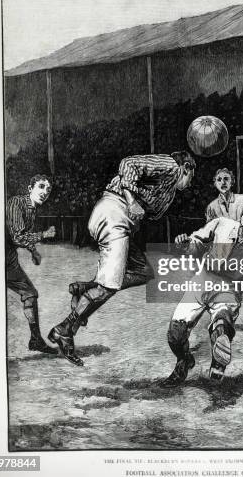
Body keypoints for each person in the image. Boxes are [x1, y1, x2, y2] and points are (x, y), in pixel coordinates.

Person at [48, 151, 196, 366]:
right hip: (115, 212)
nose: (190, 183)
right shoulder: (172, 165)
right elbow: (127, 163)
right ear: (186, 168)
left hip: (121, 223)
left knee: (143, 272)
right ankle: (65, 329)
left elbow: (152, 213)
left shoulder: (169, 190)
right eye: (191, 176)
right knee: (108, 287)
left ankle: (86, 288)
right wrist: (132, 200)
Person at [162, 197, 243, 386]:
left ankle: (219, 359)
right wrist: (186, 244)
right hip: (203, 279)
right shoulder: (222, 223)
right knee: (175, 334)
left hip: (229, 289)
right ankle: (184, 361)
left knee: (222, 324)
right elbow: (197, 240)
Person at [6, 174, 56, 354]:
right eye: (41, 187)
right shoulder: (16, 203)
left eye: (48, 190)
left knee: (29, 293)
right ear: (30, 189)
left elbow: (22, 235)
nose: (45, 192)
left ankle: (35, 340)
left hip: (8, 257)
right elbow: (17, 236)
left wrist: (33, 251)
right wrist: (43, 235)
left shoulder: (32, 209)